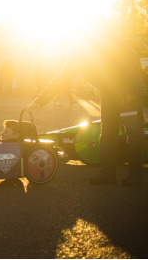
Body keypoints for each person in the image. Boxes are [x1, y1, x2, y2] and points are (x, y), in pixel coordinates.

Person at [26, 28, 144, 186]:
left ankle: (136, 174)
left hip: (127, 91)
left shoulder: (106, 39)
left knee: (134, 133)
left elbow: (131, 58)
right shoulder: (77, 54)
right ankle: (108, 173)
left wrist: (132, 89)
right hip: (109, 92)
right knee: (108, 133)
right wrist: (39, 101)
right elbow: (62, 78)